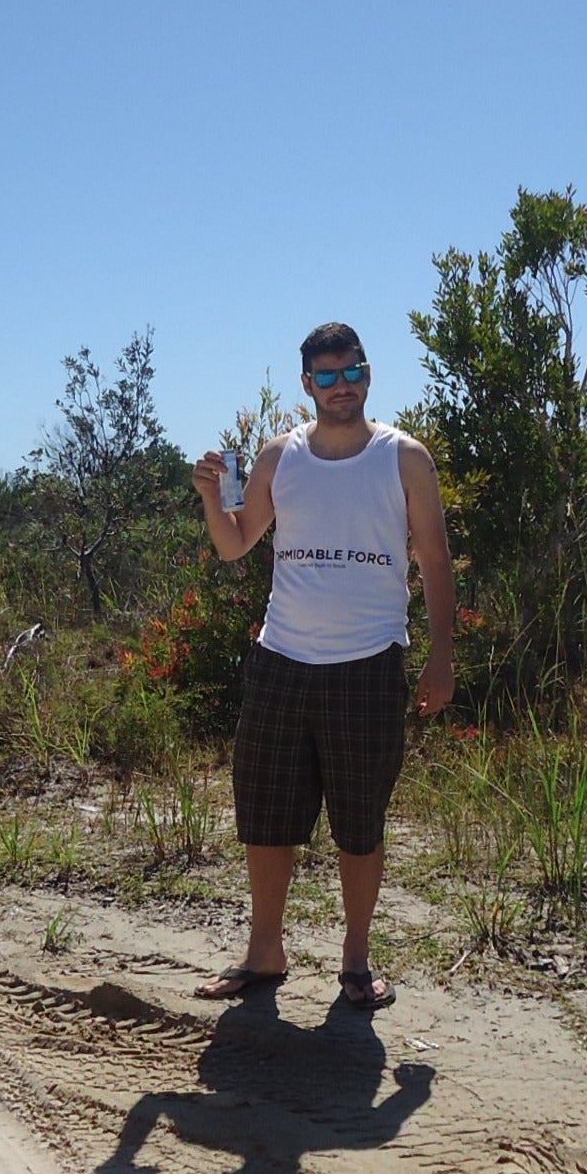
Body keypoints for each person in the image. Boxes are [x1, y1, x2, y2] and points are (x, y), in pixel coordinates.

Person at [189, 322, 455, 1009]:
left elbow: (432, 559)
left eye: (352, 372)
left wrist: (440, 659)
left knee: (359, 820)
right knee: (266, 812)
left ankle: (356, 960)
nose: (343, 387)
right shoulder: (281, 458)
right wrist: (211, 499)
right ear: (307, 384)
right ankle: (264, 952)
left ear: (368, 373)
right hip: (282, 658)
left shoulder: (405, 459)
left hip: (368, 662)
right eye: (328, 377)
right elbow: (235, 546)